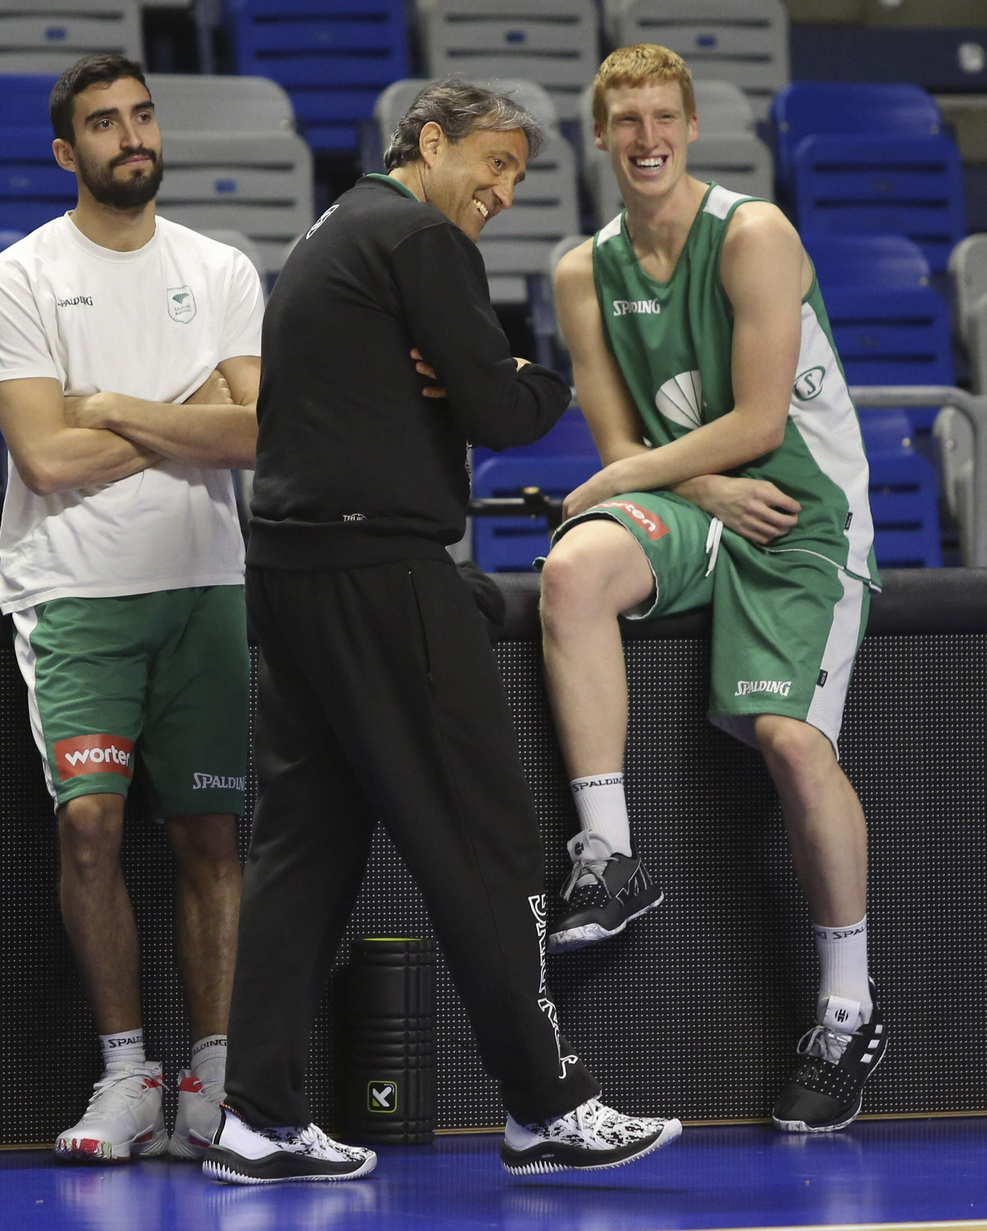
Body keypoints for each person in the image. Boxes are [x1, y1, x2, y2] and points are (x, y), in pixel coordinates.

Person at [202, 81, 682, 1185]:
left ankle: (257, 1114)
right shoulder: (419, 236)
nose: (503, 191)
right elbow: (501, 410)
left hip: (288, 571)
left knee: (305, 848)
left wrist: (472, 375)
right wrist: (528, 372)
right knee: (485, 840)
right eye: (493, 163)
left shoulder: (336, 227)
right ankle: (546, 1105)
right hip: (381, 576)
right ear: (428, 143)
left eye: (518, 174)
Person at [540, 44, 888, 1134]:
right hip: (702, 497)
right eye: (624, 121)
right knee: (573, 567)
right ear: (598, 137)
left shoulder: (753, 234)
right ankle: (609, 855)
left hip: (798, 512)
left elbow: (760, 426)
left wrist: (624, 476)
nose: (645, 139)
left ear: (691, 128)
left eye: (663, 118)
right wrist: (684, 484)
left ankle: (847, 1010)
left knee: (788, 742)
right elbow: (617, 429)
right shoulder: (578, 270)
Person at [0, 53, 263, 1163]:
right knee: (90, 826)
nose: (130, 136)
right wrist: (184, 411)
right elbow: (45, 460)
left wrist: (115, 406)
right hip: (75, 593)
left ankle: (218, 1085)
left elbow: (261, 433)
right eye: (103, 123)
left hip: (207, 585)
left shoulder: (222, 267)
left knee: (211, 837)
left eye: (141, 115)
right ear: (67, 152)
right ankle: (126, 1076)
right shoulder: (19, 276)